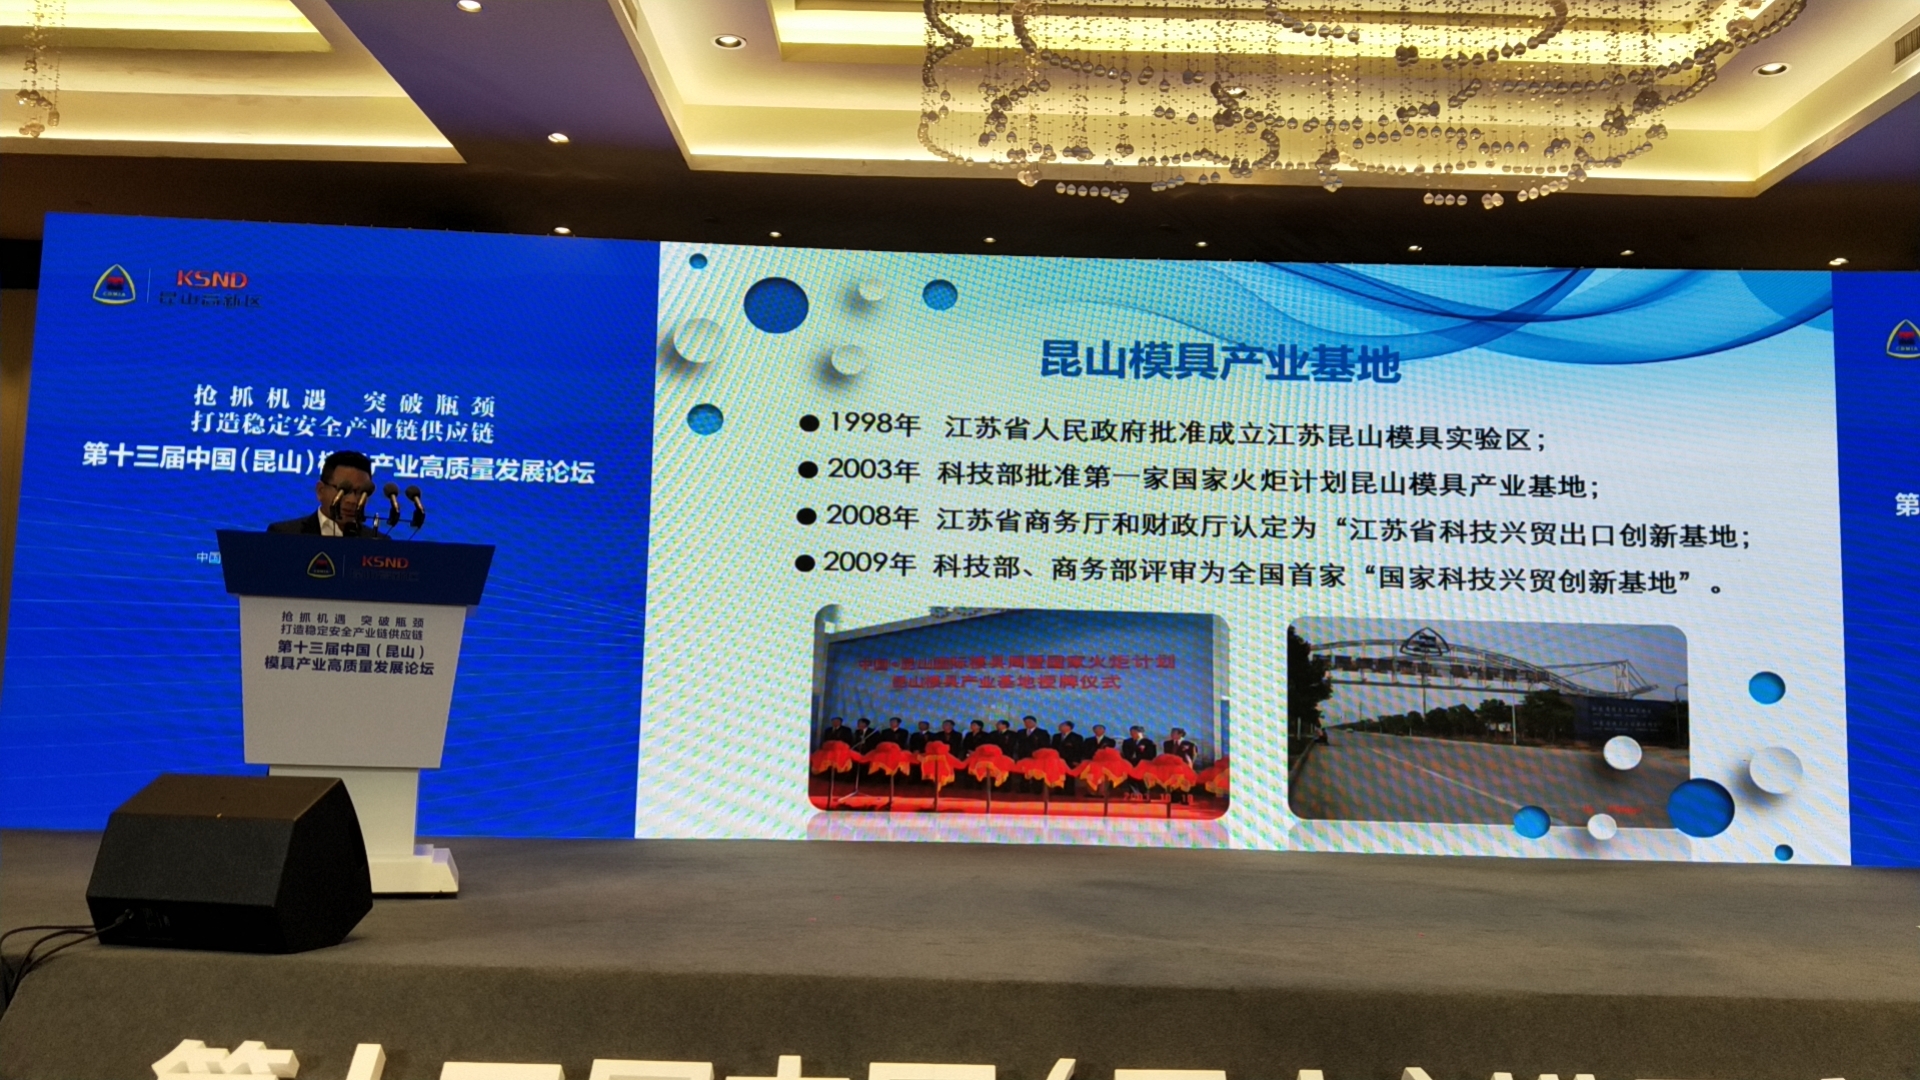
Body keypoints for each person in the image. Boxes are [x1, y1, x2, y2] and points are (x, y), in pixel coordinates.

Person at [268, 450, 389, 538]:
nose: (352, 500)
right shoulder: (284, 534)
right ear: (320, 490)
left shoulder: (378, 543)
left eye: (361, 492)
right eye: (344, 490)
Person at [1121, 724, 1155, 798]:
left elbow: (1151, 754)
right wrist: (1130, 760)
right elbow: (1125, 753)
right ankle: (1134, 793)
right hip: (1130, 763)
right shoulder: (1127, 742)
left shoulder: (1148, 742)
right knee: (1130, 777)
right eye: (1131, 732)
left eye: (1134, 732)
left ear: (1140, 732)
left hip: (1143, 763)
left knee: (1141, 777)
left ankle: (1144, 792)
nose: (1132, 734)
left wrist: (1139, 760)